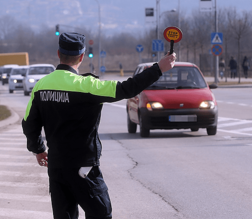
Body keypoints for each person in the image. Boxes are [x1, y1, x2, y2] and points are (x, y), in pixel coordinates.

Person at [21, 32, 176, 219]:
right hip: (84, 169)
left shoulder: (41, 86)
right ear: (82, 56)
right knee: (101, 214)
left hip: (57, 168)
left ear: (58, 53)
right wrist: (158, 68)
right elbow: (127, 88)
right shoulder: (88, 85)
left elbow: (29, 123)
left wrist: (38, 149)